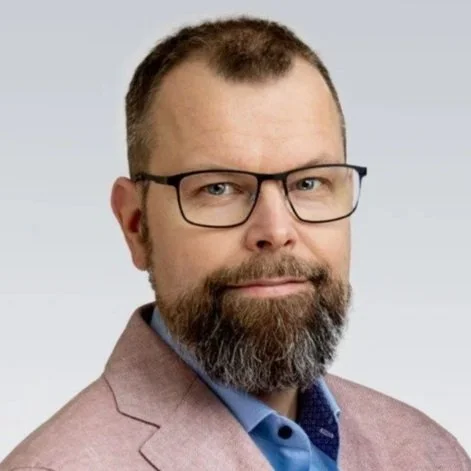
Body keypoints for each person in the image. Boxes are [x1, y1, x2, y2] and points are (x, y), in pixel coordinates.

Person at [1, 15, 469, 471]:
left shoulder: (430, 453)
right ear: (135, 225)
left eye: (309, 183)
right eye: (218, 188)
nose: (276, 231)